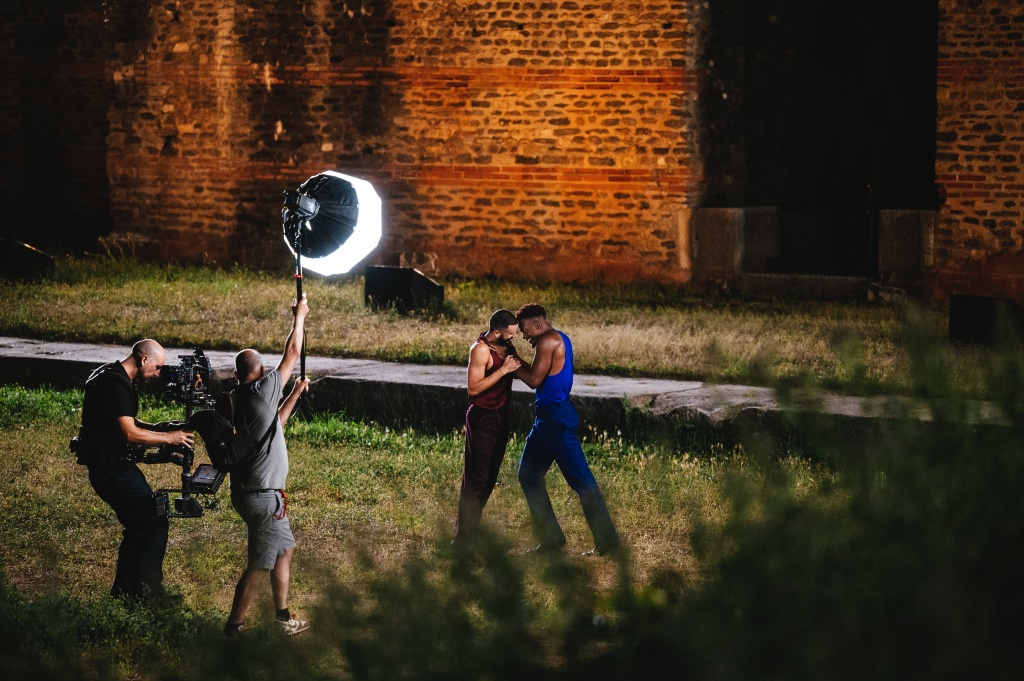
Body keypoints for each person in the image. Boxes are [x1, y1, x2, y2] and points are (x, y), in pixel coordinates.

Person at [76, 339, 195, 601]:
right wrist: (170, 438)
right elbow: (129, 433)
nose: (158, 374)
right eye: (157, 367)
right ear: (144, 360)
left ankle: (124, 593)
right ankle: (149, 593)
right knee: (154, 519)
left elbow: (127, 419)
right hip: (112, 470)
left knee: (139, 525)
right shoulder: (116, 384)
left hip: (110, 467)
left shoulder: (114, 375)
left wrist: (158, 428)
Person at [223, 293, 310, 637]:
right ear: (260, 372)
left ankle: (283, 617)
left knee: (285, 549)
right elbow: (292, 354)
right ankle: (233, 628)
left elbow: (274, 424)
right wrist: (299, 316)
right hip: (263, 498)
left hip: (252, 494)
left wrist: (294, 394)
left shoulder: (238, 398)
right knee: (259, 563)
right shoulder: (264, 389)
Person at [512, 303, 621, 556]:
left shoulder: (548, 340)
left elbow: (533, 380)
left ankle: (609, 543)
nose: (525, 335)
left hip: (557, 419)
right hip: (546, 420)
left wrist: (511, 359)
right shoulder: (559, 337)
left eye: (525, 329)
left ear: (538, 324)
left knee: (583, 482)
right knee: (528, 475)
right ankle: (551, 540)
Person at [454, 309, 522, 543]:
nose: (514, 336)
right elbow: (473, 389)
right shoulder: (480, 349)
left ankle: (470, 529)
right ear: (496, 331)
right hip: (482, 417)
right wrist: (503, 370)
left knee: (490, 476)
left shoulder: (506, 346)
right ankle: (462, 540)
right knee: (477, 478)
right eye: (511, 333)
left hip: (501, 415)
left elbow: (524, 371)